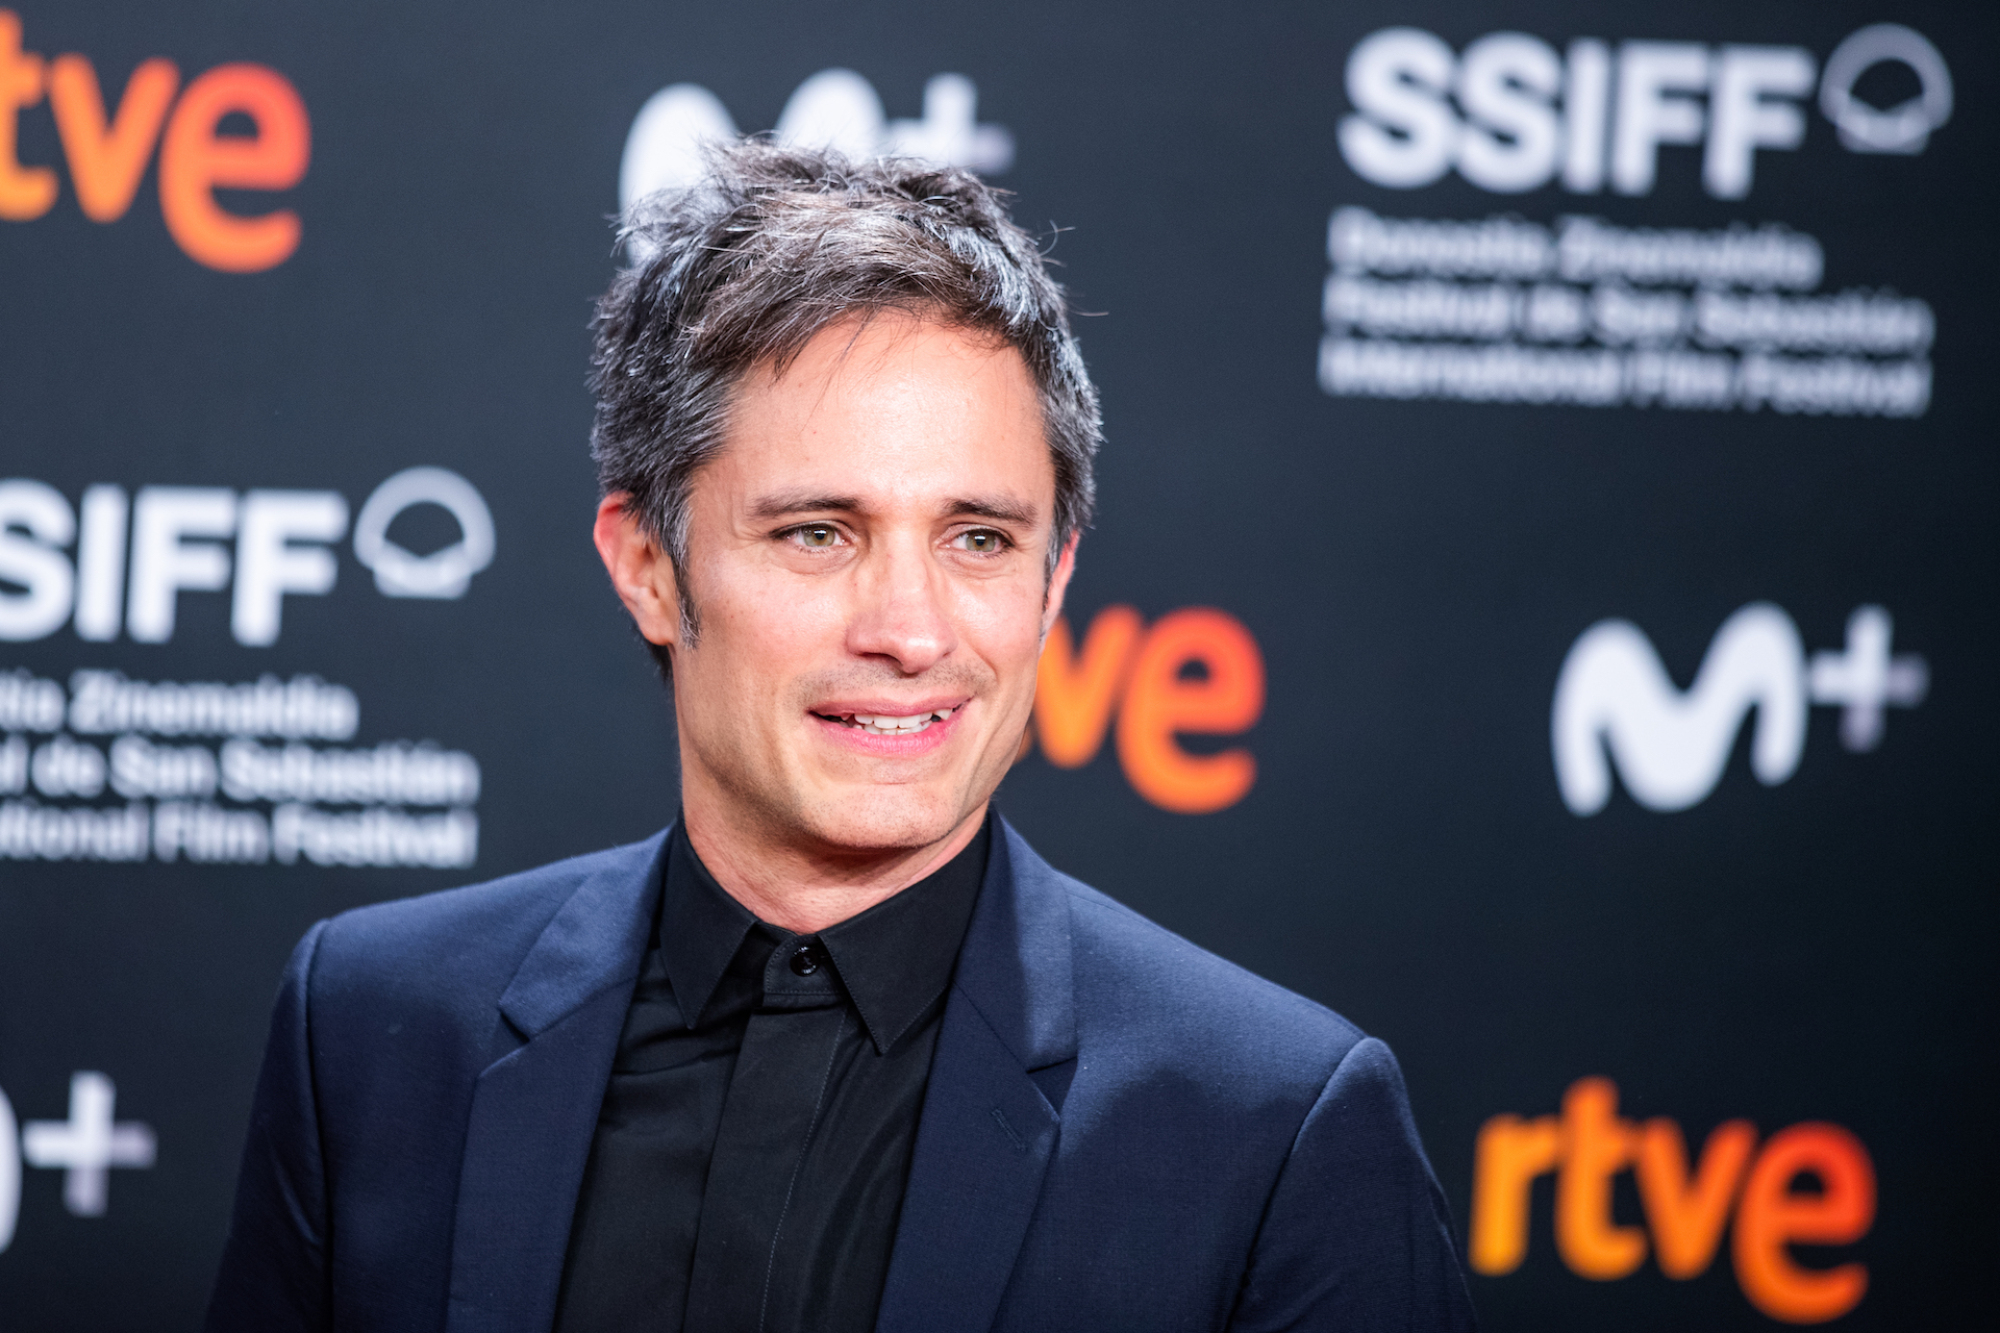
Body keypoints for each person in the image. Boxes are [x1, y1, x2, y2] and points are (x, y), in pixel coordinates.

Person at [206, 142, 1475, 1333]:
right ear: (648, 565)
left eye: (978, 538)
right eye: (818, 532)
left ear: (1054, 578)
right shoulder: (370, 1032)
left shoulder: (1272, 1128)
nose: (910, 630)